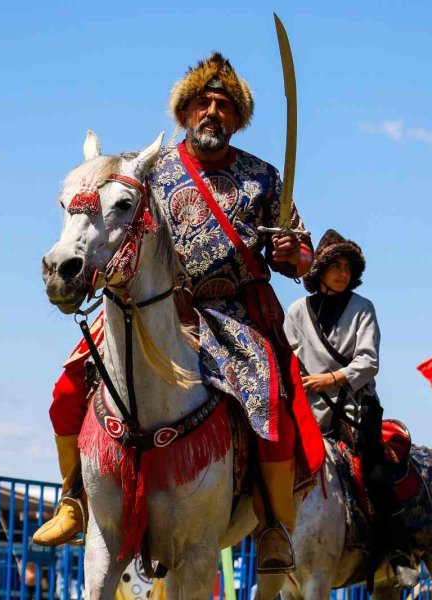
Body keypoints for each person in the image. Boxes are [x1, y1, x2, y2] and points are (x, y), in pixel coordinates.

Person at [33, 52, 326, 575]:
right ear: (184, 112)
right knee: (69, 384)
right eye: (202, 103)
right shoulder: (153, 170)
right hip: (156, 308)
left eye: (224, 105)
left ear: (237, 119)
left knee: (271, 400)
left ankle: (276, 526)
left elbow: (303, 256)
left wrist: (292, 256)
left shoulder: (263, 177)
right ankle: (75, 497)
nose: (212, 111)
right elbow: (112, 230)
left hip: (236, 315)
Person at [283, 229, 419, 588]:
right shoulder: (297, 312)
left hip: (356, 414)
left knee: (375, 474)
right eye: (335, 266)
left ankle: (398, 552)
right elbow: (286, 360)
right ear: (320, 270)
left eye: (347, 267)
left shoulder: (363, 308)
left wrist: (332, 379)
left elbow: (369, 361)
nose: (342, 273)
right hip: (306, 417)